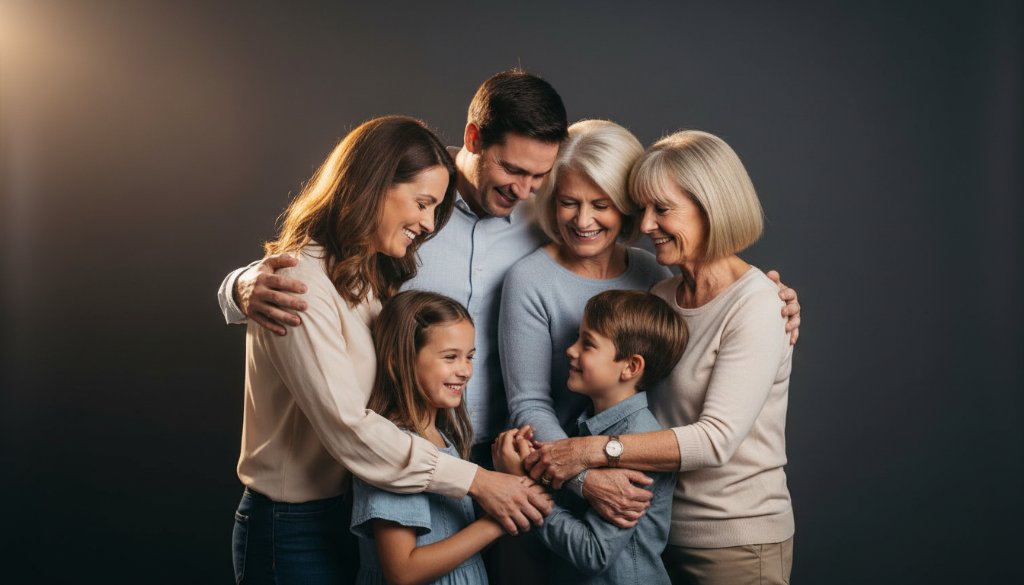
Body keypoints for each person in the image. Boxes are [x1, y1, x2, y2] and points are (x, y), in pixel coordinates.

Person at [218, 71, 802, 528]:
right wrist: (242, 286)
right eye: (514, 171)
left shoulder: (552, 220)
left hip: (511, 457)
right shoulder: (410, 208)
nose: (525, 190)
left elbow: (685, 296)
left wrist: (759, 299)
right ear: (475, 139)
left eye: (540, 179)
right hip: (406, 444)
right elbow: (331, 265)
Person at [232, 116, 548, 585]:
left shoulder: (370, 276)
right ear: (374, 186)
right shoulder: (298, 284)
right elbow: (349, 427)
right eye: (422, 204)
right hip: (293, 527)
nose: (428, 224)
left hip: (354, 511)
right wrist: (477, 481)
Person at [523, 130, 797, 584]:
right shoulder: (661, 294)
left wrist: (588, 453)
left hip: (736, 542)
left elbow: (715, 440)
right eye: (643, 208)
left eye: (662, 210)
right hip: (655, 534)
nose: (646, 225)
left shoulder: (758, 305)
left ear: (712, 208)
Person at [499, 119, 672, 523]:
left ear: (626, 207)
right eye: (569, 202)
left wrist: (771, 299)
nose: (582, 220)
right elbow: (529, 403)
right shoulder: (529, 279)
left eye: (601, 205)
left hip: (640, 487)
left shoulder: (653, 274)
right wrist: (586, 480)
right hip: (550, 490)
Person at [494, 290, 688, 585]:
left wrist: (525, 490)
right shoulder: (582, 426)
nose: (570, 350)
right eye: (577, 337)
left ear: (631, 367)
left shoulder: (640, 441)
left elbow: (594, 552)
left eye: (588, 343)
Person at [351, 290, 503, 585]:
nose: (466, 370)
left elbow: (460, 546)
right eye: (450, 357)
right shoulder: (393, 450)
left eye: (470, 357)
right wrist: (498, 520)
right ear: (400, 361)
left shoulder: (442, 438)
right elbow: (402, 571)